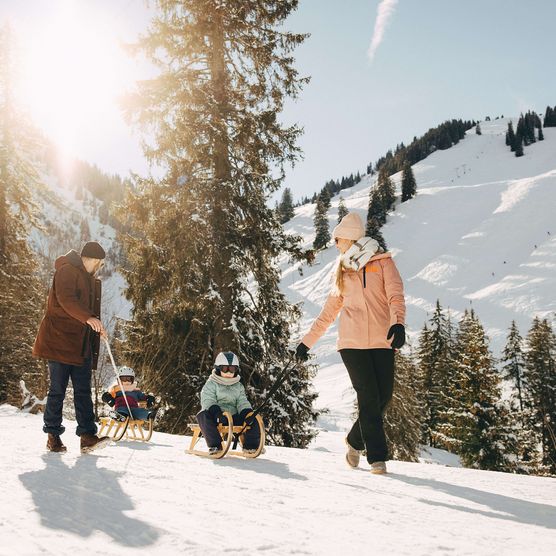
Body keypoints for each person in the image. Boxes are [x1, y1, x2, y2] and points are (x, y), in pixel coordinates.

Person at [296, 213, 406, 474]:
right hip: (352, 344)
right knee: (368, 397)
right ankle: (377, 458)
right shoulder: (343, 271)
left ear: (350, 238)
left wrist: (398, 323)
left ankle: (354, 441)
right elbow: (328, 313)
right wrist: (306, 343)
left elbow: (395, 295)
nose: (335, 244)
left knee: (383, 398)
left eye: (338, 239)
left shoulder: (383, 263)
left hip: (382, 340)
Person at [33, 242, 111, 454]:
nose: (98, 266)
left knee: (83, 391)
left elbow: (88, 311)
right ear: (90, 259)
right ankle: (53, 436)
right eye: (98, 262)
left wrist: (97, 327)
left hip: (80, 344)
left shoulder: (89, 278)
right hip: (60, 341)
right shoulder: (66, 270)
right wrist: (88, 318)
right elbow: (66, 300)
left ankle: (87, 436)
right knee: (57, 391)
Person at [196, 352, 261, 455]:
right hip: (217, 417)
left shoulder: (238, 386)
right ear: (218, 369)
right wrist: (216, 413)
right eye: (225, 369)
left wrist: (247, 413)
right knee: (202, 415)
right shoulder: (211, 384)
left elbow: (242, 401)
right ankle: (215, 445)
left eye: (232, 369)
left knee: (254, 418)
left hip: (234, 417)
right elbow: (208, 400)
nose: (229, 373)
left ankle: (251, 446)